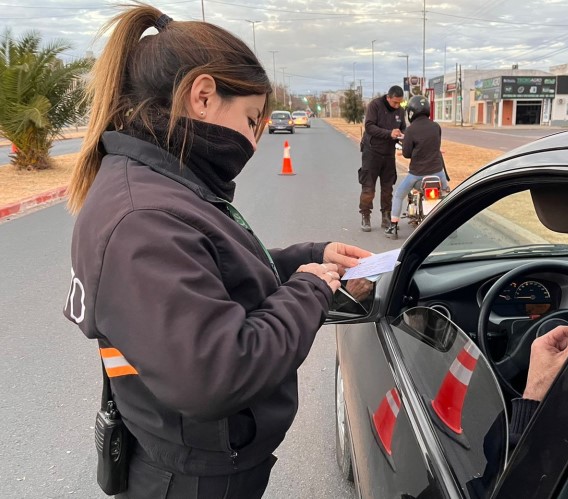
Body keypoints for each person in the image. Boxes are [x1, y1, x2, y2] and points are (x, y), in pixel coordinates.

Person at [62, 6, 370, 498]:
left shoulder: (163, 185)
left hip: (200, 460)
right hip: (190, 479)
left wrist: (309, 257)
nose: (253, 140)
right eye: (251, 119)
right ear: (203, 96)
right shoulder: (144, 216)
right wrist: (310, 290)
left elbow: (212, 269)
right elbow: (218, 371)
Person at [384, 95, 450, 239]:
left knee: (398, 195)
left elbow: (407, 154)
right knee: (447, 195)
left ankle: (393, 227)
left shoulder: (411, 130)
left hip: (417, 174)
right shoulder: (436, 126)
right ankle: (451, 227)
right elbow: (434, 146)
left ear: (411, 112)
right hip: (438, 172)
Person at [358, 85, 406, 232]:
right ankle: (365, 215)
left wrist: (403, 136)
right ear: (388, 97)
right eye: (394, 102)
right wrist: (389, 133)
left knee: (387, 189)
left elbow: (402, 127)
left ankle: (386, 216)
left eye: (400, 103)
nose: (397, 105)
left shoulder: (400, 111)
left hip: (388, 154)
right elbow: (369, 127)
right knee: (368, 188)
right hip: (372, 152)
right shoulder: (375, 105)